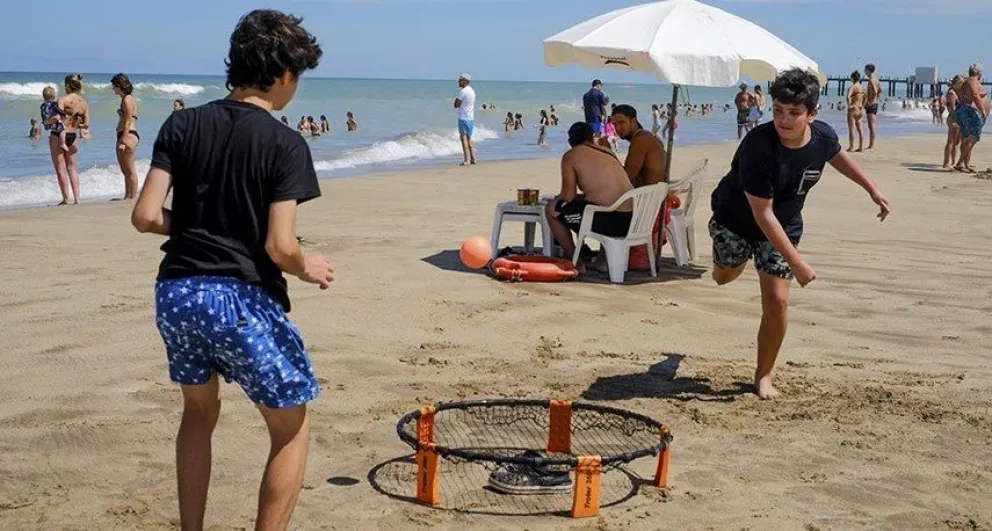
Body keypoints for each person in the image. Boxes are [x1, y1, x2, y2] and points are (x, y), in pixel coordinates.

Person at [129, 10, 331, 530]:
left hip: (176, 292)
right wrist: (308, 267)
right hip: (239, 299)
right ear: (285, 73)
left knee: (198, 414)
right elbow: (280, 245)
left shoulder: (182, 123)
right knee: (290, 426)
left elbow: (146, 216)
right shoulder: (285, 143)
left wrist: (194, 226)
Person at [709, 68, 891, 400]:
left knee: (777, 302)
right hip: (736, 218)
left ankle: (763, 376)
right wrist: (799, 264)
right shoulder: (757, 146)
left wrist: (872, 189)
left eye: (794, 113)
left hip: (784, 223)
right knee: (724, 276)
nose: (784, 120)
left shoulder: (821, 136)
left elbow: (837, 156)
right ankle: (729, 266)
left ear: (811, 114)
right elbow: (762, 214)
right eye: (778, 111)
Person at [545, 122, 633, 273]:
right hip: (632, 220)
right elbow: (601, 191)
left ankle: (575, 260)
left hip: (610, 221)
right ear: (592, 137)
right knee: (594, 204)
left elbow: (568, 196)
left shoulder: (571, 156)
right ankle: (603, 261)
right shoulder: (608, 152)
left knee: (552, 209)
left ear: (570, 141)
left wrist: (556, 198)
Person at [50, 74, 89, 206]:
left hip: (58, 135)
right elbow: (86, 123)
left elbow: (57, 118)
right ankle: (77, 198)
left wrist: (47, 121)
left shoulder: (63, 99)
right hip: (73, 136)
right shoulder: (83, 102)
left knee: (60, 168)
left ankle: (66, 198)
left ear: (67, 85)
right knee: (72, 168)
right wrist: (77, 125)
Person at [611, 105, 667, 187]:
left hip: (648, 196)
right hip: (656, 192)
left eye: (621, 123)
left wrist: (608, 152)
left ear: (633, 122)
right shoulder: (646, 135)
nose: (617, 128)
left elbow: (626, 178)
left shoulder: (641, 140)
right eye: (615, 124)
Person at [954, 63, 989, 173]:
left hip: (967, 112)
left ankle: (966, 164)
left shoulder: (970, 81)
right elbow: (974, 95)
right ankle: (960, 163)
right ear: (979, 72)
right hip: (970, 113)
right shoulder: (973, 80)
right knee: (973, 138)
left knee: (968, 138)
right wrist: (982, 109)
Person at [112, 73, 140, 200]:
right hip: (125, 133)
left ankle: (132, 197)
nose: (113, 89)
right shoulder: (126, 99)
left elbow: (129, 120)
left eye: (114, 86)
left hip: (127, 134)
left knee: (130, 170)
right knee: (125, 170)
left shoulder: (128, 99)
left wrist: (124, 139)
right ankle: (127, 195)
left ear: (119, 85)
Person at [454, 73, 477, 166]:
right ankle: (473, 158)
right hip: (470, 118)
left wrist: (456, 101)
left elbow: (456, 104)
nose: (459, 81)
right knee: (468, 138)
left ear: (465, 81)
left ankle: (466, 159)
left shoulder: (463, 91)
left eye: (460, 80)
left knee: (463, 138)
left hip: (463, 117)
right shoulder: (472, 91)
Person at [943, 74, 965, 169]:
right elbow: (952, 109)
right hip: (953, 118)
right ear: (955, 83)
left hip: (958, 119)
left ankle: (952, 161)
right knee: (951, 141)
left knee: (956, 143)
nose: (961, 85)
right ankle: (946, 162)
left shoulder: (958, 92)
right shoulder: (952, 93)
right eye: (960, 83)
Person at [40, 86, 68, 152]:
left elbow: (42, 113)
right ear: (54, 96)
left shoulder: (43, 105)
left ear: (43, 97)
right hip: (55, 121)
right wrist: (64, 114)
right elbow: (58, 110)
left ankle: (50, 130)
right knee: (62, 130)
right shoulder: (53, 104)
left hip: (48, 121)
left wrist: (44, 121)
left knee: (53, 129)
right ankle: (63, 143)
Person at [846, 71, 865, 152]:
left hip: (854, 109)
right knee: (860, 129)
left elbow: (848, 96)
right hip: (860, 109)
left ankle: (851, 147)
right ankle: (861, 147)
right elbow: (865, 98)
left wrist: (849, 105)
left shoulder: (853, 87)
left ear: (852, 78)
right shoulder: (862, 88)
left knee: (852, 129)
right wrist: (862, 106)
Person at [864, 64, 881, 151]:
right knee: (872, 125)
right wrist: (876, 99)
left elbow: (875, 91)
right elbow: (880, 90)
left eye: (865, 70)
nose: (864, 71)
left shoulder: (871, 80)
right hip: (874, 103)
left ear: (868, 70)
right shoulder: (876, 79)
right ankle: (871, 145)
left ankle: (871, 146)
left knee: (872, 125)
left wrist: (871, 101)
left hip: (871, 104)